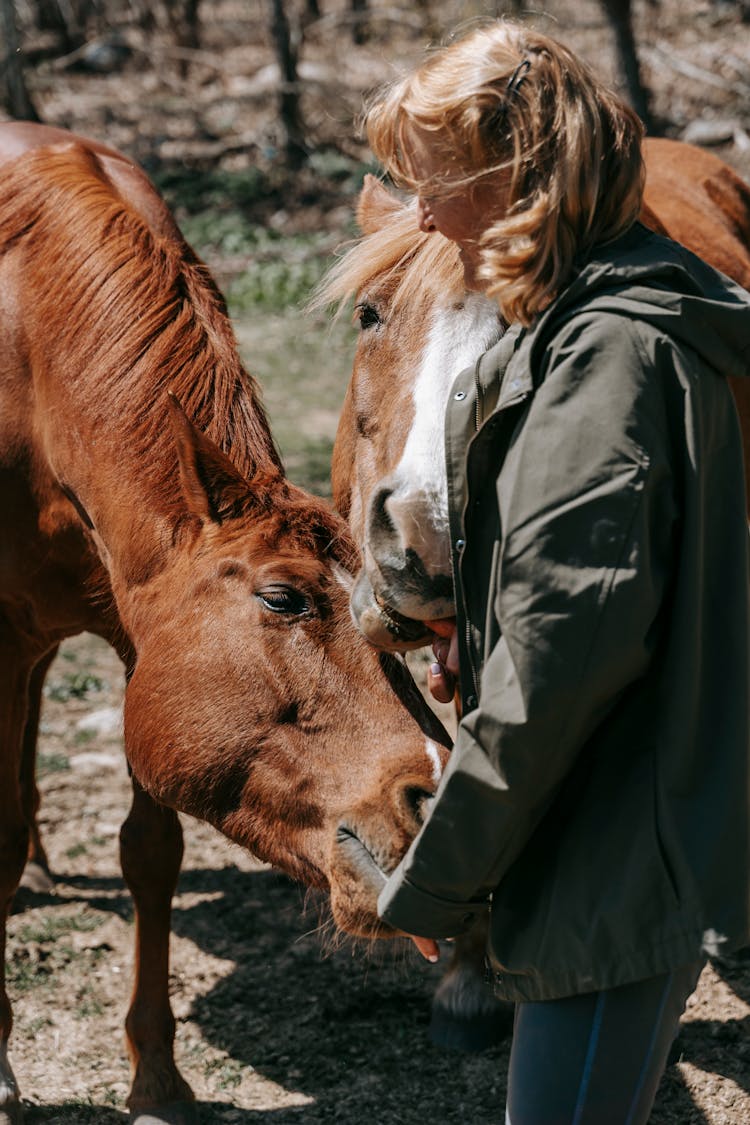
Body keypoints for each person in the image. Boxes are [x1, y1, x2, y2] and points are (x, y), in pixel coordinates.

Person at [364, 19, 750, 1124]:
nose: (426, 217)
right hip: (619, 820)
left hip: (613, 848)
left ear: (521, 173)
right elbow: (583, 605)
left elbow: (554, 679)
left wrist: (436, 879)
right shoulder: (602, 332)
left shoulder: (603, 368)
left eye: (438, 184)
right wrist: (477, 629)